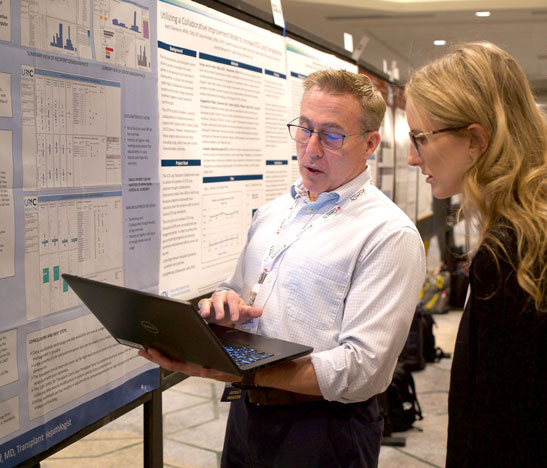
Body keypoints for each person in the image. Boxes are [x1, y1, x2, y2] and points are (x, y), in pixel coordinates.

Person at [139, 69, 426, 467]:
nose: (311, 148)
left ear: (370, 144)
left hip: (324, 428)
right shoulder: (275, 211)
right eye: (304, 128)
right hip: (247, 415)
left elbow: (364, 371)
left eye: (331, 135)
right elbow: (235, 288)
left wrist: (235, 371)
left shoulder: (388, 235)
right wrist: (224, 305)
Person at [405, 42, 547, 467]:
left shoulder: (510, 252)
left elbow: (499, 426)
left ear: (476, 140)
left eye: (420, 138)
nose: (412, 157)